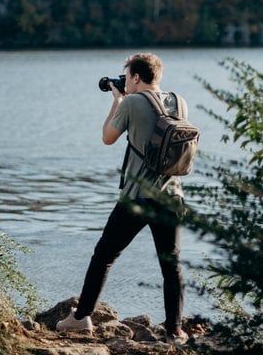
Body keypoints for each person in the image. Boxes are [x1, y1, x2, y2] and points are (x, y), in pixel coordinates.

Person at [56, 52, 189, 345]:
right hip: (172, 197)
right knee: (172, 264)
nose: (125, 80)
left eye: (127, 75)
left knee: (104, 256)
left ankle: (80, 318)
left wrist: (117, 101)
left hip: (137, 197)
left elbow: (108, 137)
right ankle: (175, 331)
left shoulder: (130, 102)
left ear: (136, 77)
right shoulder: (179, 101)